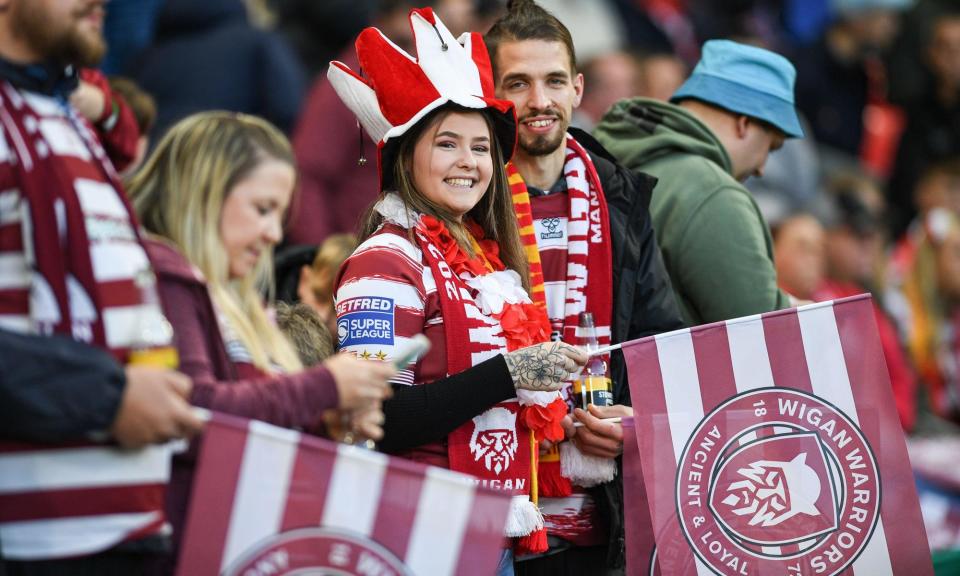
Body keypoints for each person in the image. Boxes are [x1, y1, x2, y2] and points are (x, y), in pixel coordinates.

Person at [328, 8, 588, 571]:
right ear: (405, 156)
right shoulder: (385, 259)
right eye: (448, 144)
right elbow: (377, 417)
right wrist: (512, 374)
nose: (469, 163)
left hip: (483, 534)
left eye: (480, 147)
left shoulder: (479, 258)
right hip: (417, 536)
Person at [126, 112, 396, 575]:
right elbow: (196, 413)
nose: (274, 234)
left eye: (279, 214)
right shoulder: (165, 275)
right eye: (263, 209)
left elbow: (253, 420)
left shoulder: (232, 294)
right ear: (205, 193)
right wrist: (325, 387)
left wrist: (324, 421)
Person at [0, 0, 204, 571]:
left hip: (126, 522)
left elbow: (127, 133)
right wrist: (109, 398)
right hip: (35, 542)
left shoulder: (61, 112)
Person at [484, 0, 683, 572]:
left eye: (552, 81)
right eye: (516, 83)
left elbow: (663, 346)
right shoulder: (465, 203)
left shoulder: (622, 201)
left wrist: (635, 424)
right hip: (504, 521)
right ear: (492, 97)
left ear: (577, 88)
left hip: (605, 524)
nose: (539, 101)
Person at [595, 39, 804, 326]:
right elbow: (764, 333)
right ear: (744, 123)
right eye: (771, 146)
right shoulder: (714, 193)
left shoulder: (607, 156)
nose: (761, 169)